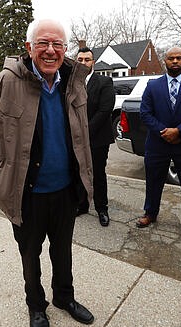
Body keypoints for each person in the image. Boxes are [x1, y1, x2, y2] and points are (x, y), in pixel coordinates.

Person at [0, 19, 94, 327]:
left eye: (57, 44)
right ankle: (36, 306)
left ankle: (64, 296)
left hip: (65, 190)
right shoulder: (4, 82)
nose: (50, 50)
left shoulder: (74, 82)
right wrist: (9, 168)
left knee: (63, 251)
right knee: (30, 255)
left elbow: (81, 133)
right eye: (43, 43)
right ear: (29, 48)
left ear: (65, 49)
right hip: (27, 195)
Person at [135, 46, 181, 239]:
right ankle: (150, 213)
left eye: (178, 58)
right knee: (153, 181)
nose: (174, 61)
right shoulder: (152, 85)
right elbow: (145, 113)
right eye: (170, 58)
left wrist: (179, 131)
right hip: (157, 144)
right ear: (164, 61)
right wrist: (163, 131)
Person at [75, 46, 115, 227]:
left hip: (97, 138)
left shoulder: (104, 82)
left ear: (94, 62)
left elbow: (105, 110)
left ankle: (102, 208)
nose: (83, 63)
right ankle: (82, 205)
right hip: (75, 139)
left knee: (97, 173)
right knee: (79, 172)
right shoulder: (71, 82)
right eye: (80, 59)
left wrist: (85, 132)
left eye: (87, 60)